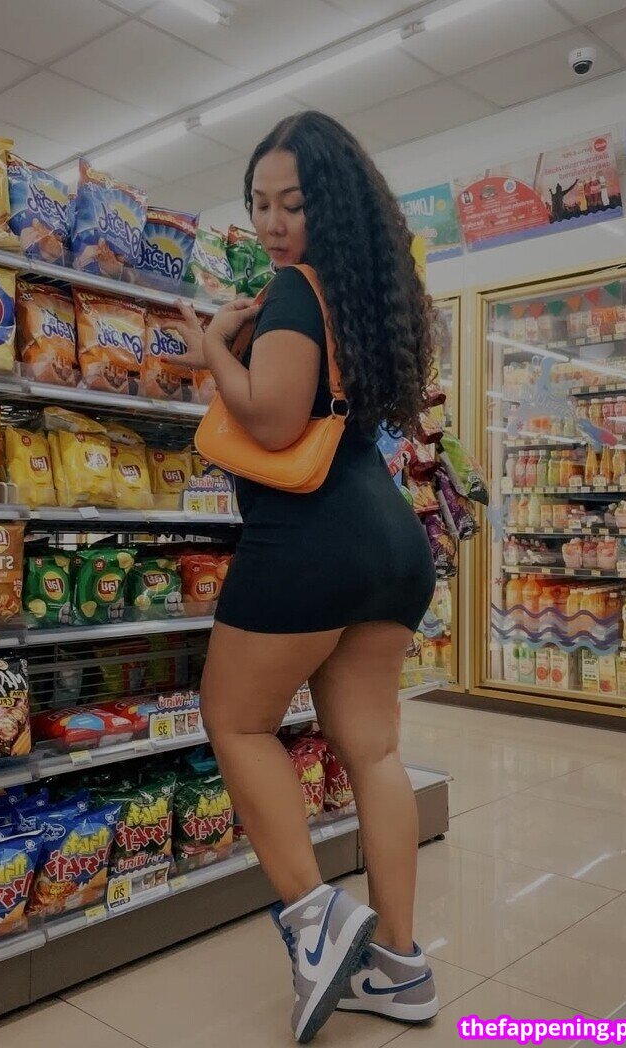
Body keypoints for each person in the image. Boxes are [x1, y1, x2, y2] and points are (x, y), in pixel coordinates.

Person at [172, 110, 438, 1043]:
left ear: (332, 207)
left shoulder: (293, 290)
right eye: (260, 203)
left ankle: (313, 916)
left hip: (311, 537)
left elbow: (275, 420)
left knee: (236, 719)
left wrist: (213, 347)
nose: (274, 223)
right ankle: (400, 967)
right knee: (373, 752)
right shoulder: (374, 298)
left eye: (294, 203)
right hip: (389, 540)